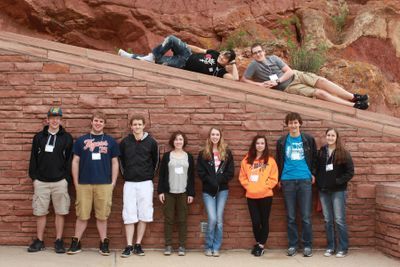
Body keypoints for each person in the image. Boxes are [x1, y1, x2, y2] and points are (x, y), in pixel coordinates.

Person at [242, 43, 369, 110]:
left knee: (322, 81)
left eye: (259, 51)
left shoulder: (273, 58)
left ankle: (353, 97)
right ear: (253, 55)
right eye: (255, 53)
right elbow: (244, 80)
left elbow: (290, 71)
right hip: (289, 87)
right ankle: (353, 106)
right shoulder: (253, 66)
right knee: (320, 94)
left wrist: (278, 80)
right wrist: (259, 85)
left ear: (264, 51)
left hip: (296, 75)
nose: (258, 54)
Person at [67, 111, 120, 256]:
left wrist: (113, 182)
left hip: (104, 184)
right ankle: (76, 242)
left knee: (102, 216)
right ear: (91, 122)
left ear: (104, 124)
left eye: (101, 121)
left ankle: (104, 242)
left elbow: (115, 163)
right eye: (96, 120)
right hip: (84, 184)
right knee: (82, 215)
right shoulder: (81, 140)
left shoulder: (110, 141)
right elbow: (75, 162)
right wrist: (76, 183)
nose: (98, 123)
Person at [28, 107, 73, 253]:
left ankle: (59, 240)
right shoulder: (39, 137)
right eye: (52, 118)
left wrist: (66, 179)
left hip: (60, 181)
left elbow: (70, 161)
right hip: (41, 181)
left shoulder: (67, 138)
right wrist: (34, 178)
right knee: (40, 212)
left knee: (60, 211)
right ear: (47, 119)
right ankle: (39, 241)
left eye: (57, 118)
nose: (54, 120)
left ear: (61, 119)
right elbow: (33, 159)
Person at [276, 112, 317, 257]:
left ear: (300, 123)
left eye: (295, 122)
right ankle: (293, 245)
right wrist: (279, 178)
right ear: (287, 125)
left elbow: (314, 158)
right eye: (290, 123)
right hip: (287, 181)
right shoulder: (281, 141)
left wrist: (313, 173)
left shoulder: (308, 139)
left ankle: (307, 245)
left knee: (306, 216)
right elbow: (278, 160)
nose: (293, 125)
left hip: (305, 180)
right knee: (291, 216)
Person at [119, 115, 159, 257]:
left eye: (139, 124)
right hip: (129, 183)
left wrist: (149, 176)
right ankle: (129, 245)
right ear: (131, 126)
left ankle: (138, 244)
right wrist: (126, 176)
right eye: (134, 124)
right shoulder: (125, 142)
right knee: (129, 213)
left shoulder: (151, 142)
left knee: (144, 212)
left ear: (144, 125)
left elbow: (156, 162)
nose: (137, 126)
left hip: (145, 183)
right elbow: (121, 161)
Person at [118, 35, 239, 80]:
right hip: (187, 53)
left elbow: (235, 79)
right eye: (223, 54)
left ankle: (130, 56)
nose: (222, 57)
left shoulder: (220, 72)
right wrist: (184, 45)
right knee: (171, 39)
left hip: (181, 64)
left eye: (225, 58)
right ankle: (152, 56)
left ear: (227, 62)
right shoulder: (215, 53)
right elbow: (199, 50)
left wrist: (233, 63)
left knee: (155, 62)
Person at [316, 128, 354, 258]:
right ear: (325, 136)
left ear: (337, 137)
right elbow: (317, 169)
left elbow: (350, 172)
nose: (330, 137)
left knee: (339, 220)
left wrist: (338, 181)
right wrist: (320, 183)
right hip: (324, 191)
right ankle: (330, 247)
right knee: (328, 220)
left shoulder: (343, 153)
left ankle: (342, 248)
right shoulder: (321, 152)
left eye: (333, 135)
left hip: (338, 191)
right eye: (328, 135)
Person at [238, 135, 278, 257]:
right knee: (255, 222)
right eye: (257, 143)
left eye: (262, 143)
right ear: (254, 145)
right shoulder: (246, 160)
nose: (259, 145)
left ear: (265, 146)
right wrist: (249, 186)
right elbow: (242, 177)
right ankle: (258, 242)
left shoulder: (270, 161)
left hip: (266, 195)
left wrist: (265, 186)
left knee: (264, 221)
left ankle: (260, 246)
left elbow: (274, 178)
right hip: (251, 195)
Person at [197, 127, 234, 257]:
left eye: (217, 134)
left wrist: (218, 180)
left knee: (219, 219)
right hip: (208, 191)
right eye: (213, 134)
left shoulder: (227, 152)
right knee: (212, 219)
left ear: (220, 136)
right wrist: (211, 181)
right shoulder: (203, 153)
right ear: (209, 136)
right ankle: (208, 246)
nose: (215, 137)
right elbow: (200, 172)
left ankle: (216, 247)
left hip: (222, 190)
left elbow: (230, 173)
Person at [158, 131, 195, 256]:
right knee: (168, 219)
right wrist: (161, 191)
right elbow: (162, 175)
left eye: (180, 139)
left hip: (183, 193)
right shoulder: (167, 156)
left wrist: (191, 193)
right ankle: (168, 245)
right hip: (169, 193)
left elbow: (192, 177)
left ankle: (182, 246)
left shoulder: (188, 156)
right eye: (176, 139)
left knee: (182, 220)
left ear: (184, 141)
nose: (178, 142)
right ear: (172, 142)